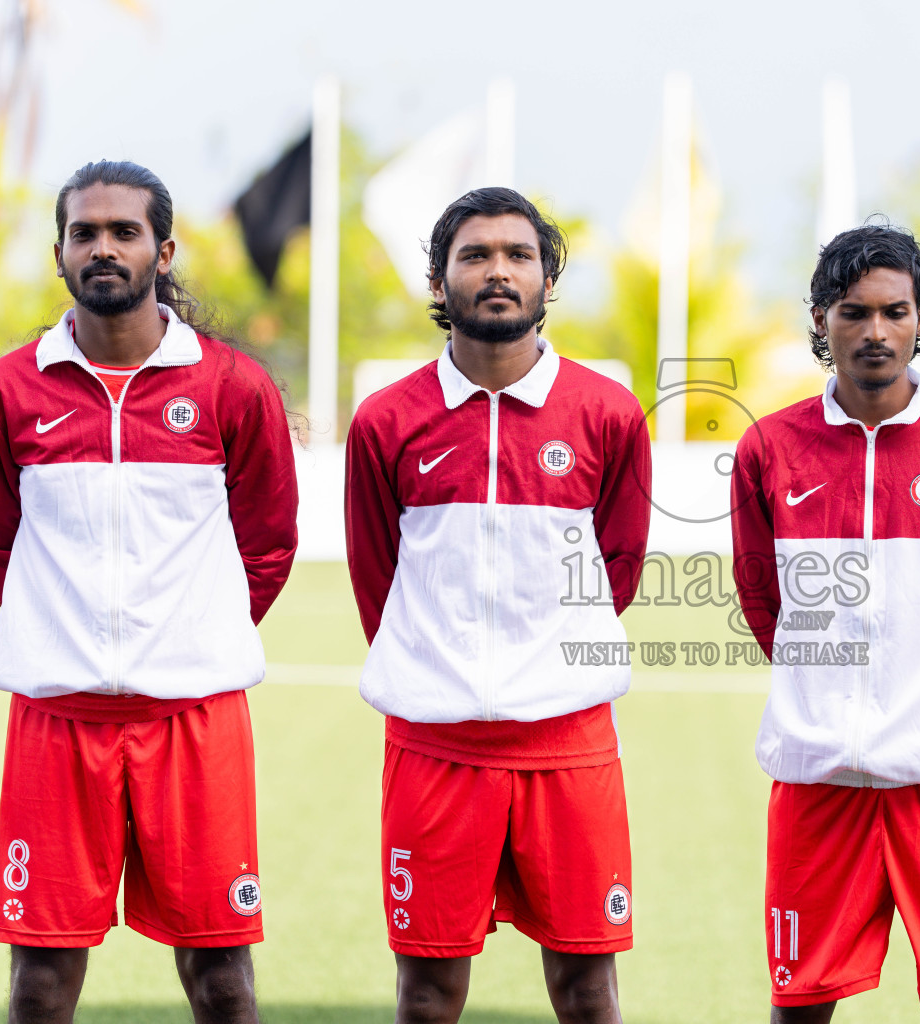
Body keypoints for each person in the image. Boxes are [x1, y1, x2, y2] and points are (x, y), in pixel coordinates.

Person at [0, 160, 299, 1024]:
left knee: (221, 978)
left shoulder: (233, 387)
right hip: (57, 724)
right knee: (38, 982)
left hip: (195, 720)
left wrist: (189, 637)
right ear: (60, 253)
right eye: (85, 233)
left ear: (164, 249)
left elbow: (268, 542)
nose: (103, 248)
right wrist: (69, 635)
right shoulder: (7, 391)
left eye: (124, 232)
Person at [344, 187, 652, 1024]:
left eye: (518, 255)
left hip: (569, 741)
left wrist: (547, 663)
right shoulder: (386, 422)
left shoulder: (607, 413)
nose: (498, 271)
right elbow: (379, 579)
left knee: (587, 988)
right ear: (440, 285)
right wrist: (440, 667)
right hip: (434, 745)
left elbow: (616, 568)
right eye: (474, 255)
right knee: (429, 991)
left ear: (548, 281)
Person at [729, 224, 920, 1023]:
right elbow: (764, 601)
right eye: (853, 312)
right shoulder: (769, 447)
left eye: (895, 312)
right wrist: (818, 693)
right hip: (817, 778)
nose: (875, 332)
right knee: (799, 1006)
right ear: (822, 318)